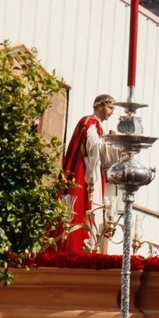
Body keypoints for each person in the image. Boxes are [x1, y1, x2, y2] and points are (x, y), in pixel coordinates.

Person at [59, 93, 117, 253]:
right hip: (86, 174)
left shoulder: (97, 126)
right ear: (99, 105)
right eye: (110, 107)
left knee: (95, 211)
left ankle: (92, 245)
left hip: (95, 173)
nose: (112, 112)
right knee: (86, 209)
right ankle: (85, 245)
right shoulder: (89, 123)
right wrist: (116, 148)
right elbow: (93, 146)